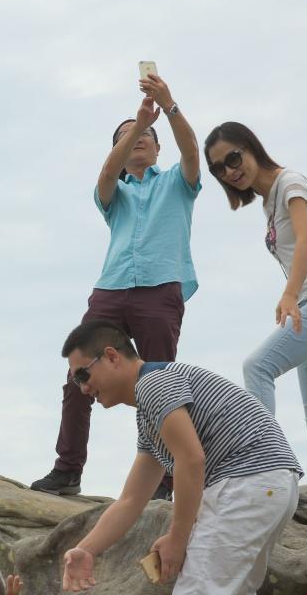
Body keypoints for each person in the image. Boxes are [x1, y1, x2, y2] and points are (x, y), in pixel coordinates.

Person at [57, 321, 307, 595]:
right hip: (270, 482)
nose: (82, 388)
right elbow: (133, 498)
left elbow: (192, 460)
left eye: (83, 374)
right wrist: (87, 549)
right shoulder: (151, 406)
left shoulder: (156, 384)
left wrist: (178, 537)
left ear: (112, 356)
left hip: (245, 483)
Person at [31, 72, 201, 498]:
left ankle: (164, 480)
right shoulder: (114, 192)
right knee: (79, 374)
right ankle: (67, 469)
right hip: (111, 288)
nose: (138, 138)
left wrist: (169, 105)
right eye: (126, 137)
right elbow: (108, 172)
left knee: (160, 384)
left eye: (146, 135)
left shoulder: (176, 183)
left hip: (161, 288)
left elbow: (192, 151)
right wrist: (138, 124)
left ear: (159, 147)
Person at [204, 122, 307, 482]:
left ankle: (261, 464)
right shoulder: (269, 202)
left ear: (250, 147)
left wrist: (291, 295)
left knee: (257, 367)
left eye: (233, 158)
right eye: (219, 168)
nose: (230, 170)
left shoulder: (290, 183)